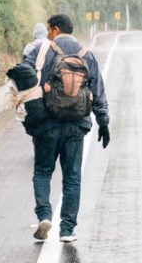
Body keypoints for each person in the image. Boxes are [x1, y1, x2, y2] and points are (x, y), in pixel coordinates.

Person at [21, 13, 110, 244]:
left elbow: (24, 76)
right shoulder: (86, 54)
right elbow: (98, 90)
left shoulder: (41, 50)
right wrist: (103, 122)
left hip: (46, 123)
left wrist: (28, 111)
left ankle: (44, 216)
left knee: (43, 171)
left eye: (49, 29)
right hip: (76, 124)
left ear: (56, 29)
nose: (48, 34)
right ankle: (67, 230)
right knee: (72, 177)